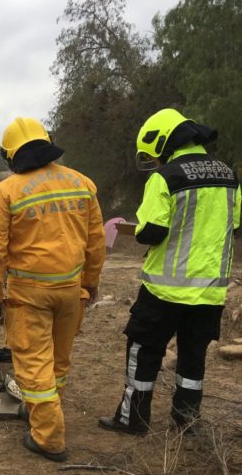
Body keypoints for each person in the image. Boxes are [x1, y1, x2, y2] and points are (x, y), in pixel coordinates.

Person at [99, 109, 241, 436]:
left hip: (164, 290)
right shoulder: (227, 175)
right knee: (193, 358)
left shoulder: (165, 177)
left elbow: (151, 232)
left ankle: (132, 419)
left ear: (162, 142)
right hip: (210, 291)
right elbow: (235, 225)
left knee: (143, 351)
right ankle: (186, 420)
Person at [0, 117, 106, 462]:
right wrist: (90, 282)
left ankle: (48, 437)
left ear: (10, 155)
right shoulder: (82, 183)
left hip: (27, 295)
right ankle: (44, 413)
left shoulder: (7, 191)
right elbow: (96, 243)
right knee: (58, 362)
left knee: (34, 366)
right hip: (70, 292)